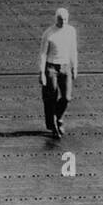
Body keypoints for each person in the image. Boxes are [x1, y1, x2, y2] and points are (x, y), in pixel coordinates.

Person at [39, 8, 78, 139]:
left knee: (67, 97)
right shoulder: (48, 33)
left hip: (66, 66)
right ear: (56, 19)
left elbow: (73, 49)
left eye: (65, 19)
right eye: (61, 19)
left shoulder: (71, 31)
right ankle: (54, 125)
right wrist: (42, 73)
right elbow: (43, 54)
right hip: (51, 68)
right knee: (52, 96)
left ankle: (58, 116)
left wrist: (75, 67)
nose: (63, 22)